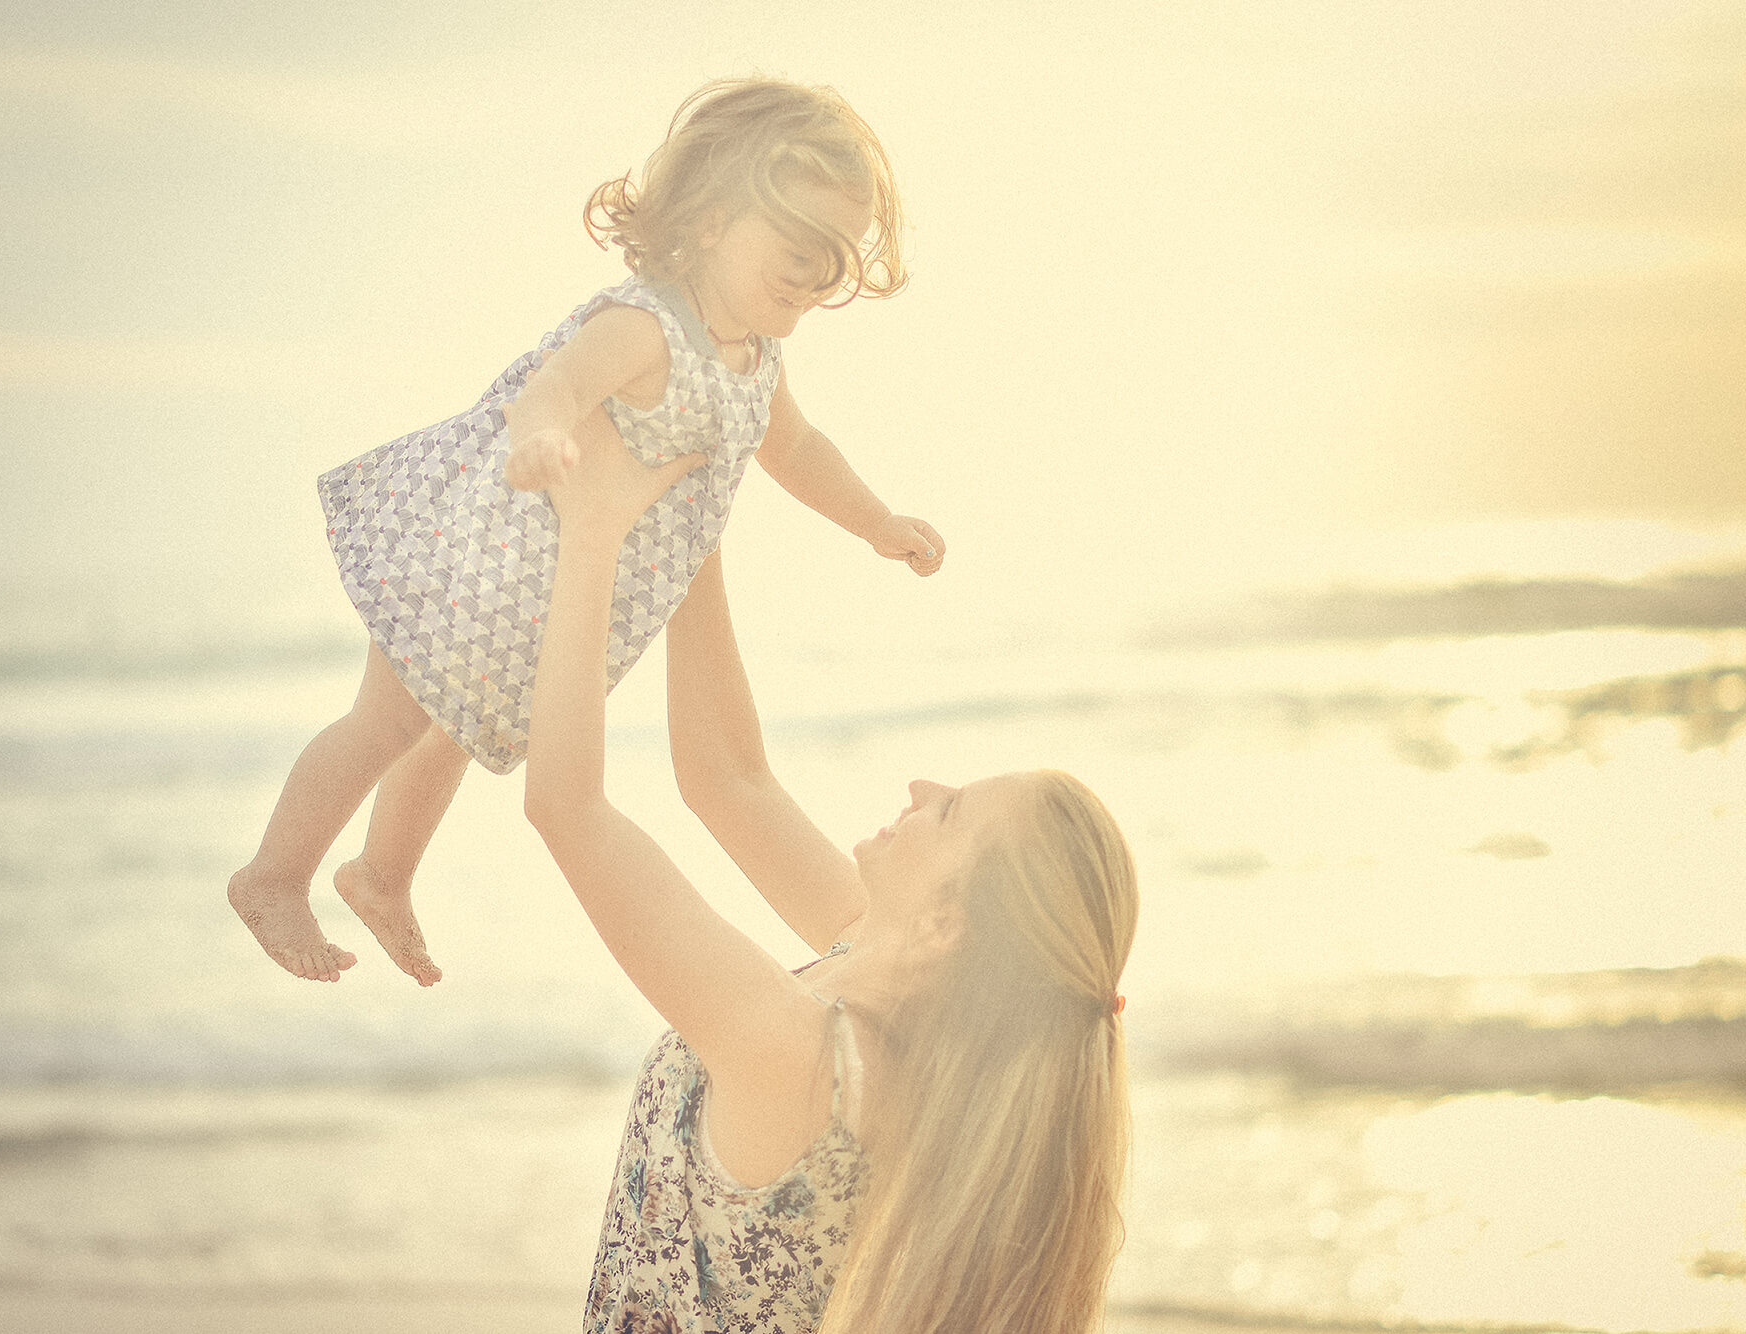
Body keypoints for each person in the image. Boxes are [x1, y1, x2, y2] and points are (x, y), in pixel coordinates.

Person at [227, 78, 945, 984]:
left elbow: (796, 448)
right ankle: (273, 875)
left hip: (542, 594)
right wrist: (542, 436)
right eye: (799, 242)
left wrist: (875, 521)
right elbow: (557, 386)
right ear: (714, 218)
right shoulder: (648, 325)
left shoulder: (757, 361)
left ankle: (382, 875)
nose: (813, 272)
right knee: (388, 719)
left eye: (834, 258)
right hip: (468, 549)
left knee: (448, 728)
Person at [527, 417, 1139, 1333]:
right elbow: (727, 780)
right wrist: (696, 506)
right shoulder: (886, 995)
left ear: (947, 925)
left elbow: (568, 809)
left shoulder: (802, 1056)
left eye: (952, 810)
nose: (924, 786)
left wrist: (593, 532)